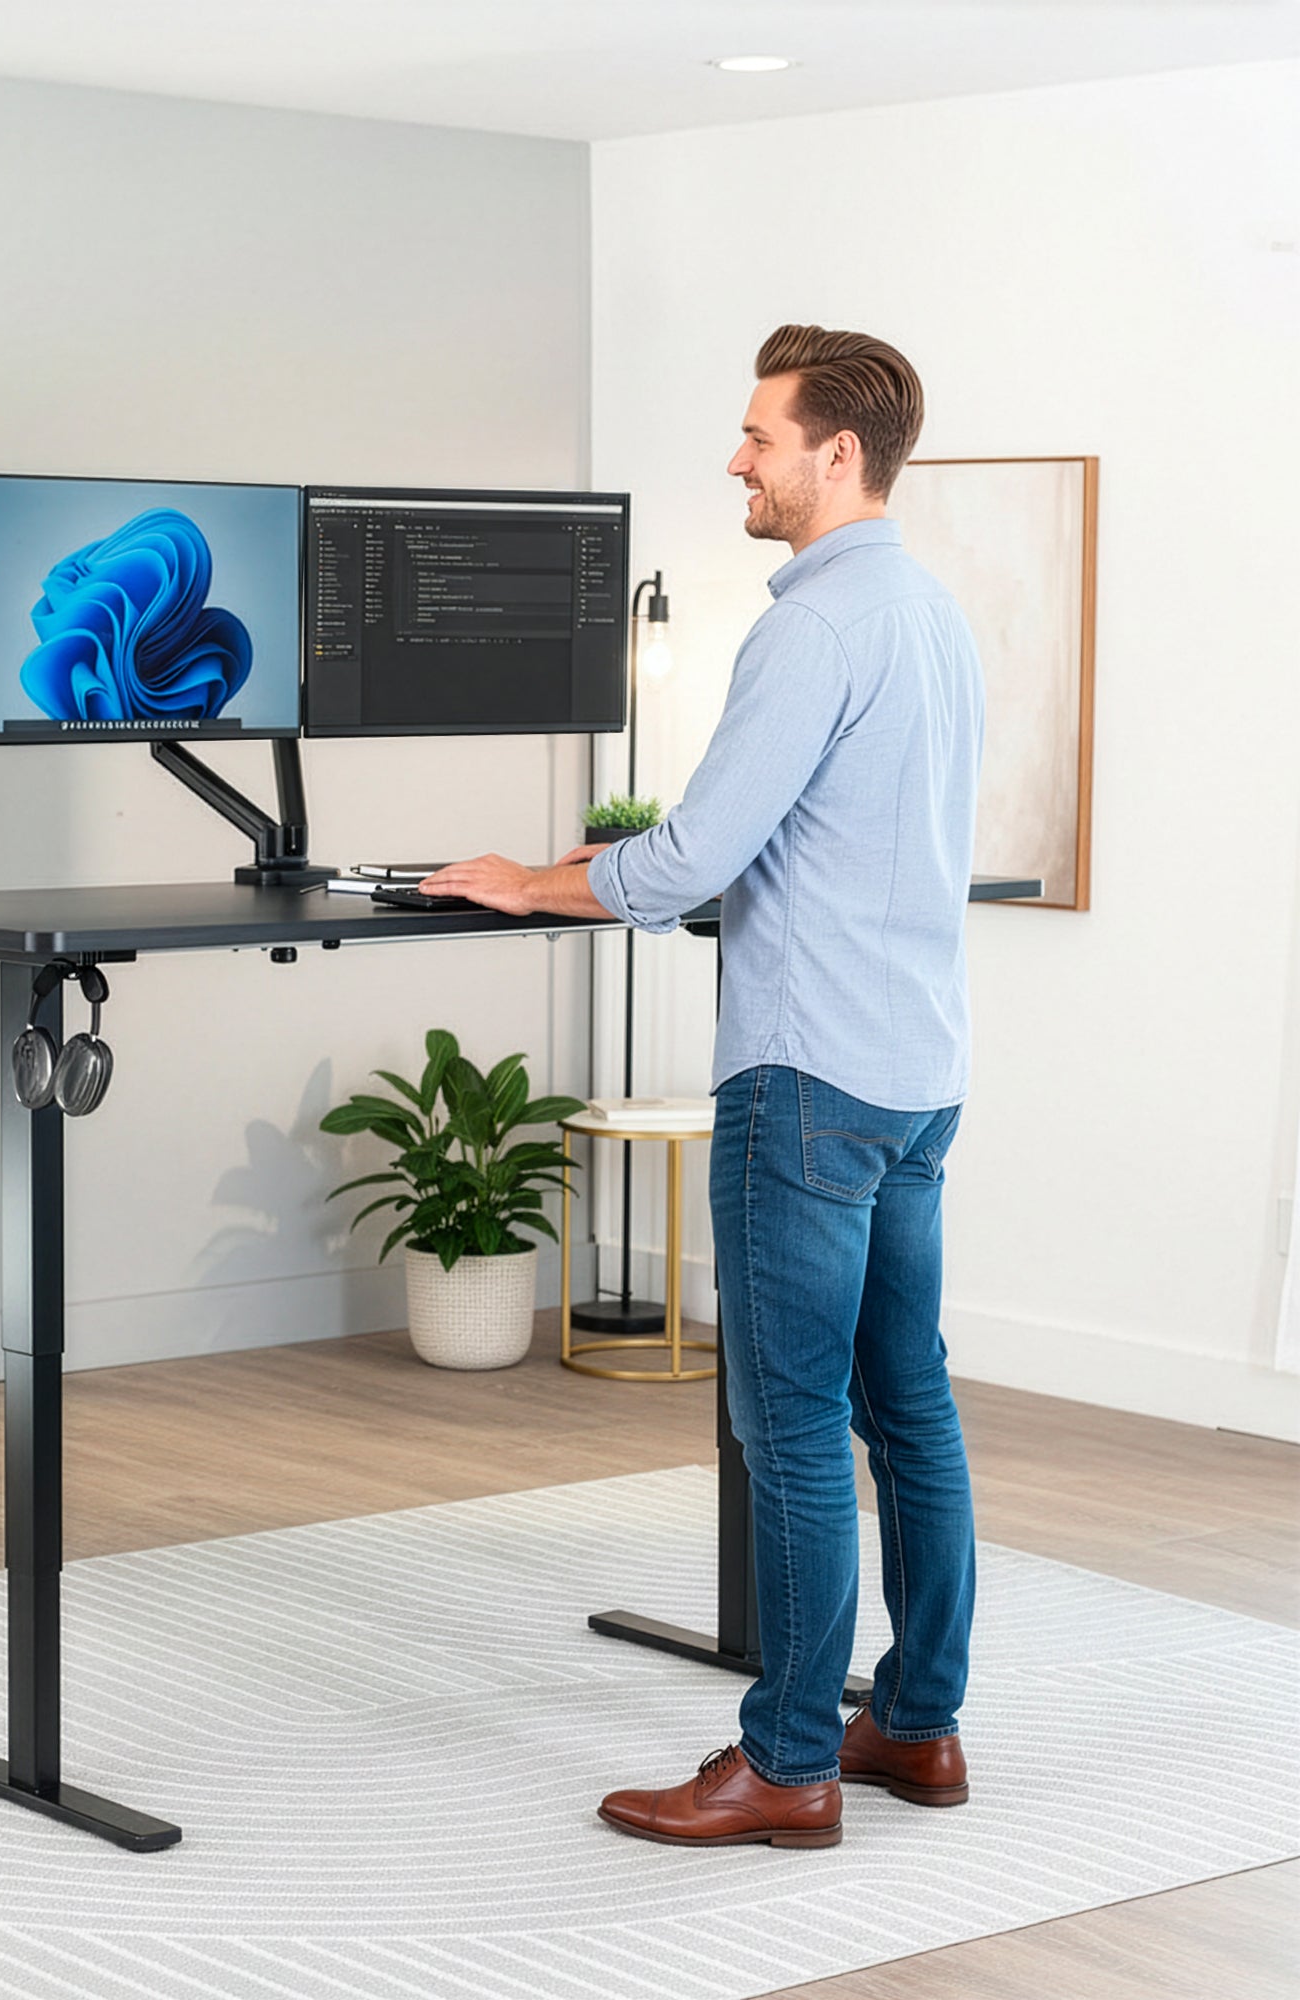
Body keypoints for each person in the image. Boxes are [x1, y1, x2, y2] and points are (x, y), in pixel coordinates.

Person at [421, 324, 984, 1850]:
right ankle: (916, 1727)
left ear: (836, 454)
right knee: (907, 1405)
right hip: (918, 1070)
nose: (738, 459)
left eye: (758, 436)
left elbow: (695, 857)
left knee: (793, 1425)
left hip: (806, 1076)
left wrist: (536, 880)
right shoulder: (934, 617)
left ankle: (790, 1762)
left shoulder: (810, 630)